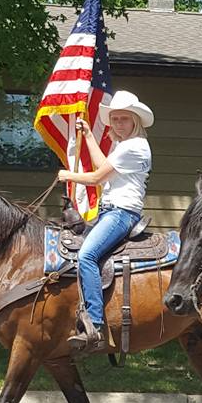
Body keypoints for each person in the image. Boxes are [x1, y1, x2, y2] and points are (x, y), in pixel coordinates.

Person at [57, 91, 153, 353]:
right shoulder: (124, 147)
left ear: (136, 121)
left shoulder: (135, 146)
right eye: (115, 119)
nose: (119, 124)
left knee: (87, 255)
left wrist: (69, 175)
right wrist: (88, 135)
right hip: (109, 211)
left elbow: (98, 177)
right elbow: (104, 167)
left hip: (122, 213)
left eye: (124, 119)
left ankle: (96, 325)